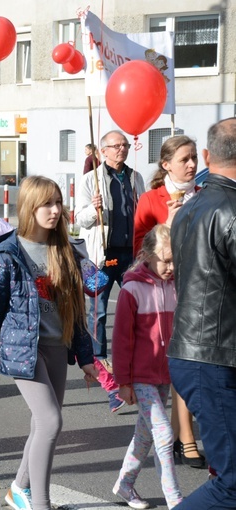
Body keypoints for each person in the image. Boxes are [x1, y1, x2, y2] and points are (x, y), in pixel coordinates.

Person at [0, 176, 99, 510]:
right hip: (23, 350)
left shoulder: (66, 249)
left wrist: (86, 357)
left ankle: (18, 488)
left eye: (58, 202)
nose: (55, 210)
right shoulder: (7, 255)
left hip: (59, 345)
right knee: (50, 422)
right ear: (29, 206)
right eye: (46, 203)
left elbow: (82, 305)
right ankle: (40, 503)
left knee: (42, 423)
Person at [169, 117, 236, 509]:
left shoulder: (190, 207)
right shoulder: (227, 208)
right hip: (213, 357)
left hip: (198, 353)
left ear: (208, 156)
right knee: (231, 485)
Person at [132, 135, 205, 469]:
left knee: (189, 365)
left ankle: (183, 436)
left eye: (194, 159)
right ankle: (178, 436)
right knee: (173, 366)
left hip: (197, 291)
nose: (192, 165)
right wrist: (168, 225)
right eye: (185, 159)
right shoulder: (151, 199)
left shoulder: (204, 196)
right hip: (163, 295)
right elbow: (140, 250)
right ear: (166, 165)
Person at [111, 224, 183, 509]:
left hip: (165, 373)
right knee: (164, 434)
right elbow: (121, 340)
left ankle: (125, 485)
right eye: (166, 260)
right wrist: (124, 381)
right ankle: (175, 498)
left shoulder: (176, 284)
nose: (171, 266)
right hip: (140, 376)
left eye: (175, 259)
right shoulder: (132, 289)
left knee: (144, 434)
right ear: (148, 255)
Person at [74, 130, 145, 409]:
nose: (121, 150)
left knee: (136, 312)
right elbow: (79, 218)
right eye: (116, 146)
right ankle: (107, 381)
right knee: (97, 314)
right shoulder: (89, 180)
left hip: (130, 258)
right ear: (103, 151)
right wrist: (93, 209)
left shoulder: (135, 177)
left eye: (125, 145)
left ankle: (133, 370)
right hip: (99, 259)